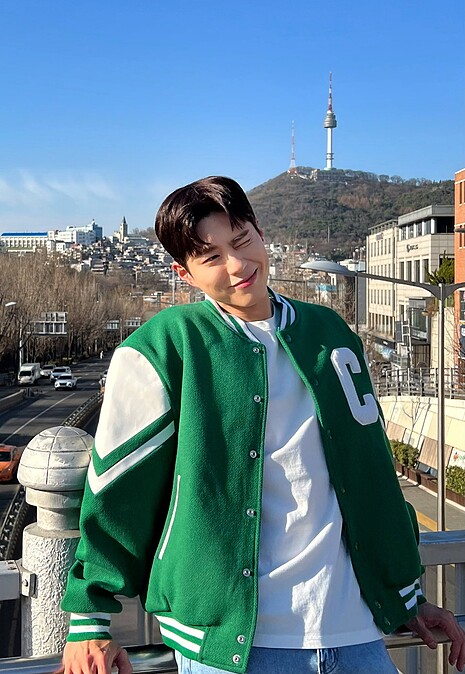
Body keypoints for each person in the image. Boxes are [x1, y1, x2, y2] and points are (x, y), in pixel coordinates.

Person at [61, 176, 465, 674]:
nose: (237, 264)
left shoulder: (330, 334)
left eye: (242, 239)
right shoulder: (165, 347)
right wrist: (89, 620)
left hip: (355, 631)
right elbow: (118, 490)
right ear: (184, 273)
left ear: (259, 231)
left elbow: (373, 472)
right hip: (234, 646)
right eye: (211, 256)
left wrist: (407, 595)